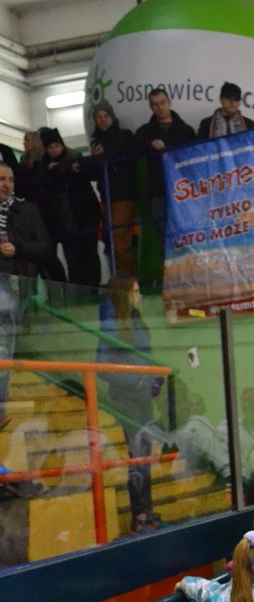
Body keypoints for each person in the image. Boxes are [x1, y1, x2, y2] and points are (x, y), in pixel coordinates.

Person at [96, 274, 162, 533]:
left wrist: (156, 377)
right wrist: (134, 381)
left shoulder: (135, 321)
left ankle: (147, 510)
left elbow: (145, 357)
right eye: (135, 291)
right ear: (125, 294)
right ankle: (139, 515)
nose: (140, 296)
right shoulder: (112, 324)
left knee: (145, 456)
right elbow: (102, 367)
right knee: (138, 457)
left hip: (144, 398)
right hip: (127, 399)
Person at [0, 162, 52, 426]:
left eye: (9, 179)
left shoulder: (27, 210)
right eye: (1, 179)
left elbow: (44, 248)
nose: (6, 184)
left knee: (4, 347)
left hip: (15, 283)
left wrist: (16, 249)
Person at [39, 128, 102, 289]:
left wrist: (59, 168)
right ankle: (79, 289)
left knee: (88, 253)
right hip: (66, 220)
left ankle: (91, 287)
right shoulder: (45, 168)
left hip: (84, 216)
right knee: (73, 257)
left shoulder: (75, 161)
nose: (54, 150)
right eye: (50, 147)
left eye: (56, 146)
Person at [134, 86, 196, 251]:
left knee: (189, 233)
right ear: (151, 107)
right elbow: (134, 149)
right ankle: (170, 275)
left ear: (169, 102)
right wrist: (149, 144)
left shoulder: (186, 131)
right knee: (165, 236)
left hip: (184, 191)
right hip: (159, 191)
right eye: (155, 104)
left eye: (162, 103)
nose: (159, 107)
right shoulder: (144, 133)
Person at [83, 102, 138, 276]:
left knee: (119, 240)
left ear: (112, 117)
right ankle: (120, 276)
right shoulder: (96, 143)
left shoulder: (124, 136)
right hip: (107, 196)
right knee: (112, 242)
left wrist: (96, 158)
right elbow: (93, 172)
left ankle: (129, 278)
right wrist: (94, 159)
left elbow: (113, 155)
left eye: (105, 116)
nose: (103, 120)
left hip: (123, 194)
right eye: (98, 117)